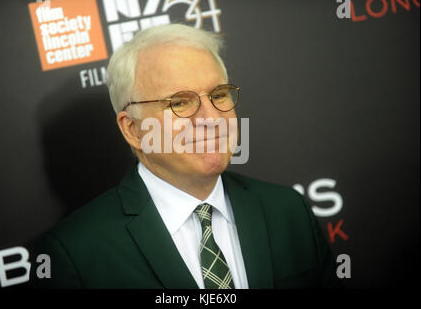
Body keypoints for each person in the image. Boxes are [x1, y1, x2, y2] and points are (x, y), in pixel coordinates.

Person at [29, 24, 342, 289]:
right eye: (180, 102)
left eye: (219, 95)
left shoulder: (288, 210)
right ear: (133, 130)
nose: (211, 118)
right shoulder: (74, 254)